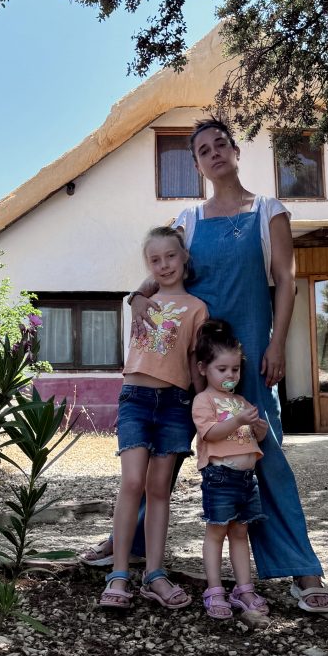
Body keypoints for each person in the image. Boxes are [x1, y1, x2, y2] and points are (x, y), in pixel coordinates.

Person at [80, 118, 328, 613]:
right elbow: (163, 265)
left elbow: (286, 281)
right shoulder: (188, 219)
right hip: (184, 352)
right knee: (165, 453)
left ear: (236, 152)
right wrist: (138, 296)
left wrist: (277, 344)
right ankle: (125, 544)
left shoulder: (269, 211)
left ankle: (301, 567)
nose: (214, 153)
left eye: (221, 144)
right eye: (202, 150)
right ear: (196, 164)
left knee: (264, 447)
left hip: (246, 354)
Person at [98, 226, 208, 611]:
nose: (164, 265)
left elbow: (196, 361)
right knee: (132, 482)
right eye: (155, 259)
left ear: (184, 258)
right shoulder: (143, 300)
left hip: (176, 403)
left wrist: (202, 407)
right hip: (136, 399)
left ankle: (155, 574)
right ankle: (118, 573)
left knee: (160, 489)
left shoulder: (197, 308)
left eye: (171, 256)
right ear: (148, 265)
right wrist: (136, 297)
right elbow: (139, 295)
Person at [191, 320, 270, 619]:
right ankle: (214, 589)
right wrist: (238, 421)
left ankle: (244, 588)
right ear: (203, 369)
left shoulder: (240, 401)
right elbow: (209, 433)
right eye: (221, 369)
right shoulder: (204, 400)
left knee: (240, 532)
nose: (230, 375)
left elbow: (252, 437)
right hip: (220, 477)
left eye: (234, 370)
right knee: (216, 532)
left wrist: (258, 429)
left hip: (247, 480)